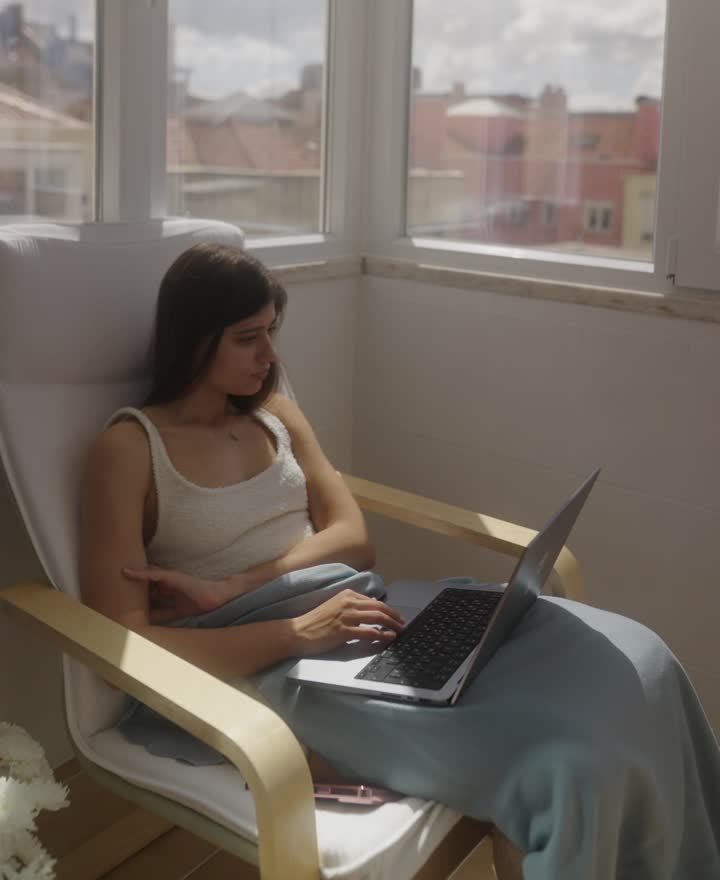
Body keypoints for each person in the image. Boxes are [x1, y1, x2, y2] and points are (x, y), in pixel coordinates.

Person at [79, 242, 720, 880]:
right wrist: (295, 631)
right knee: (572, 759)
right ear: (195, 339)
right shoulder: (130, 449)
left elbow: (353, 537)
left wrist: (235, 583)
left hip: (364, 612)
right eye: (249, 338)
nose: (270, 356)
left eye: (272, 333)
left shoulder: (274, 415)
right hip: (276, 671)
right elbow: (123, 648)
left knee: (640, 657)